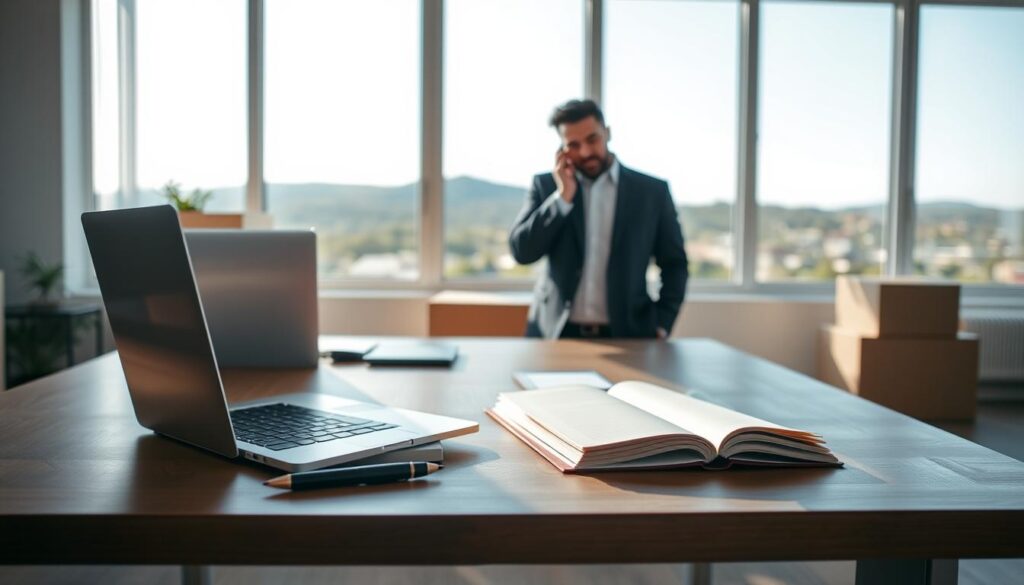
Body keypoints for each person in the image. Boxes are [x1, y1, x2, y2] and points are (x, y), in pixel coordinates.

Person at [509, 99, 688, 339]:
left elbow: (675, 263)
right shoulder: (546, 186)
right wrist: (562, 198)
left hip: (629, 335)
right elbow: (522, 252)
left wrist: (663, 322)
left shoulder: (652, 192)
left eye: (592, 139)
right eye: (573, 144)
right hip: (555, 334)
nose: (585, 152)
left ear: (608, 133)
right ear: (562, 149)